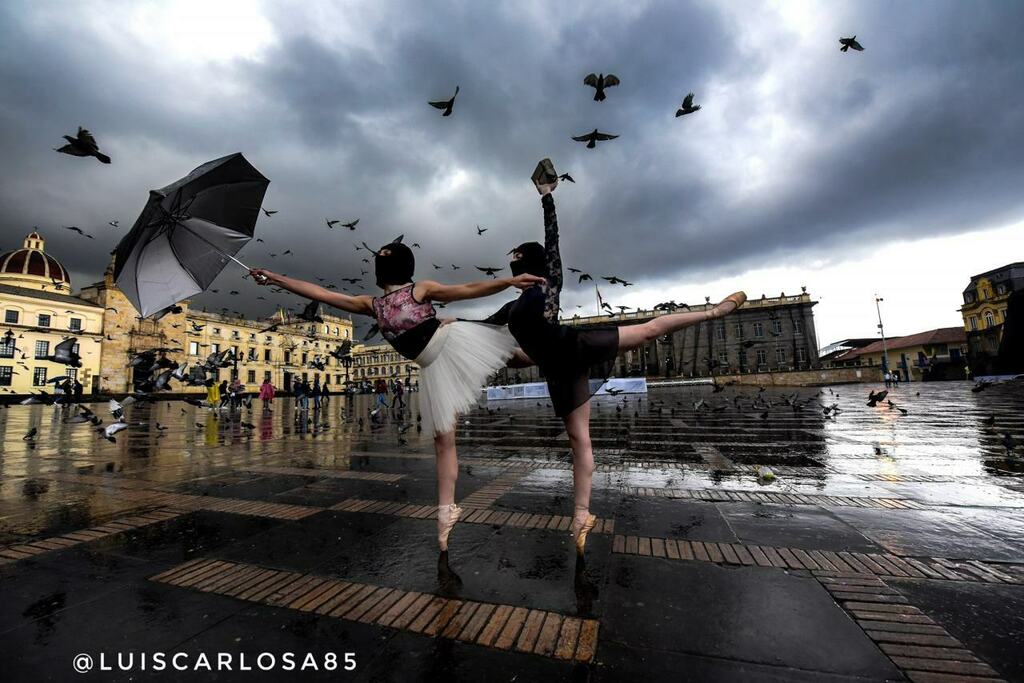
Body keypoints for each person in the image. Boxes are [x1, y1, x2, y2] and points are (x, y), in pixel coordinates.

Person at [485, 159, 746, 554]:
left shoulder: (547, 285)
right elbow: (484, 325)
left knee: (647, 330)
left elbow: (552, 242)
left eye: (519, 260)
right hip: (555, 366)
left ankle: (715, 311)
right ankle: (581, 514)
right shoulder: (513, 306)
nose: (514, 264)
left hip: (572, 348)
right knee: (578, 440)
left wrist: (547, 200)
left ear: (531, 266)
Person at [251, 242, 542, 551]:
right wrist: (275, 279)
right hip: (437, 360)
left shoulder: (379, 302)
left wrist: (275, 278)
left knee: (452, 434)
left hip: (446, 347)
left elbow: (467, 288)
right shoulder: (395, 296)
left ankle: (446, 512)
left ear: (379, 271)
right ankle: (445, 515)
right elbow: (319, 294)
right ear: (408, 267)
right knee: (506, 362)